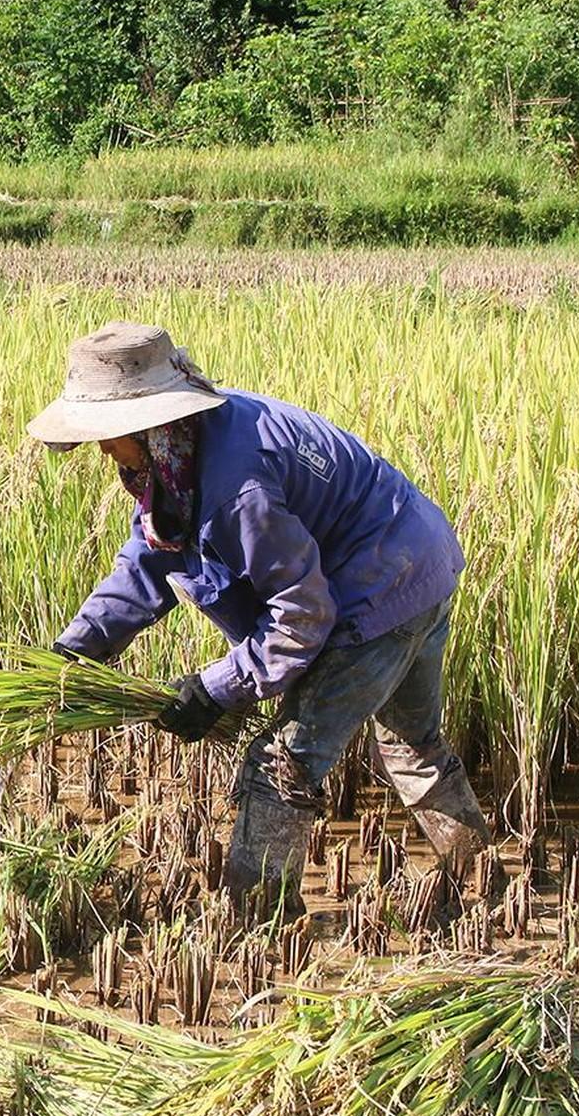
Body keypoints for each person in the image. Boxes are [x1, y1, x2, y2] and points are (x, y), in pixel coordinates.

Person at [30, 320, 499, 923]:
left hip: (382, 586)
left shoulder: (234, 485)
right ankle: (483, 882)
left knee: (281, 764)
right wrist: (74, 651)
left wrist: (213, 689)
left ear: (147, 425)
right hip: (421, 561)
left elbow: (302, 616)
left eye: (110, 436)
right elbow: (148, 563)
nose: (102, 451)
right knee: (411, 743)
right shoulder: (179, 457)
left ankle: (259, 924)